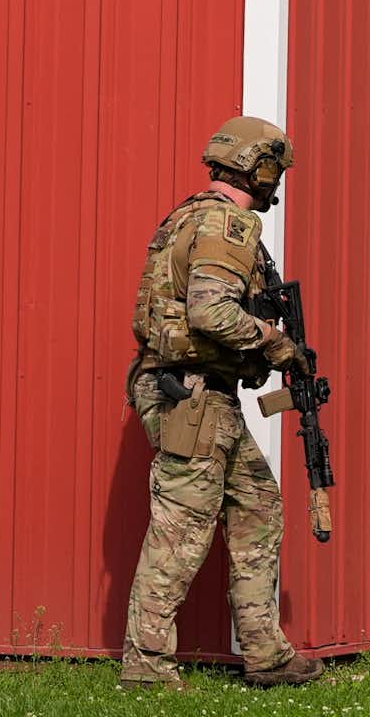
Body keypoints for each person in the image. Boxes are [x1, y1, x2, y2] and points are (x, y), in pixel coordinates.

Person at [120, 115, 324, 690]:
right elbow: (212, 313)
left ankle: (267, 654)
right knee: (180, 533)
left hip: (208, 396)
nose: (276, 183)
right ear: (255, 168)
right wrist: (277, 344)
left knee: (258, 511)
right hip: (194, 399)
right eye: (274, 170)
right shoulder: (225, 224)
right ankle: (146, 668)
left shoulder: (195, 215)